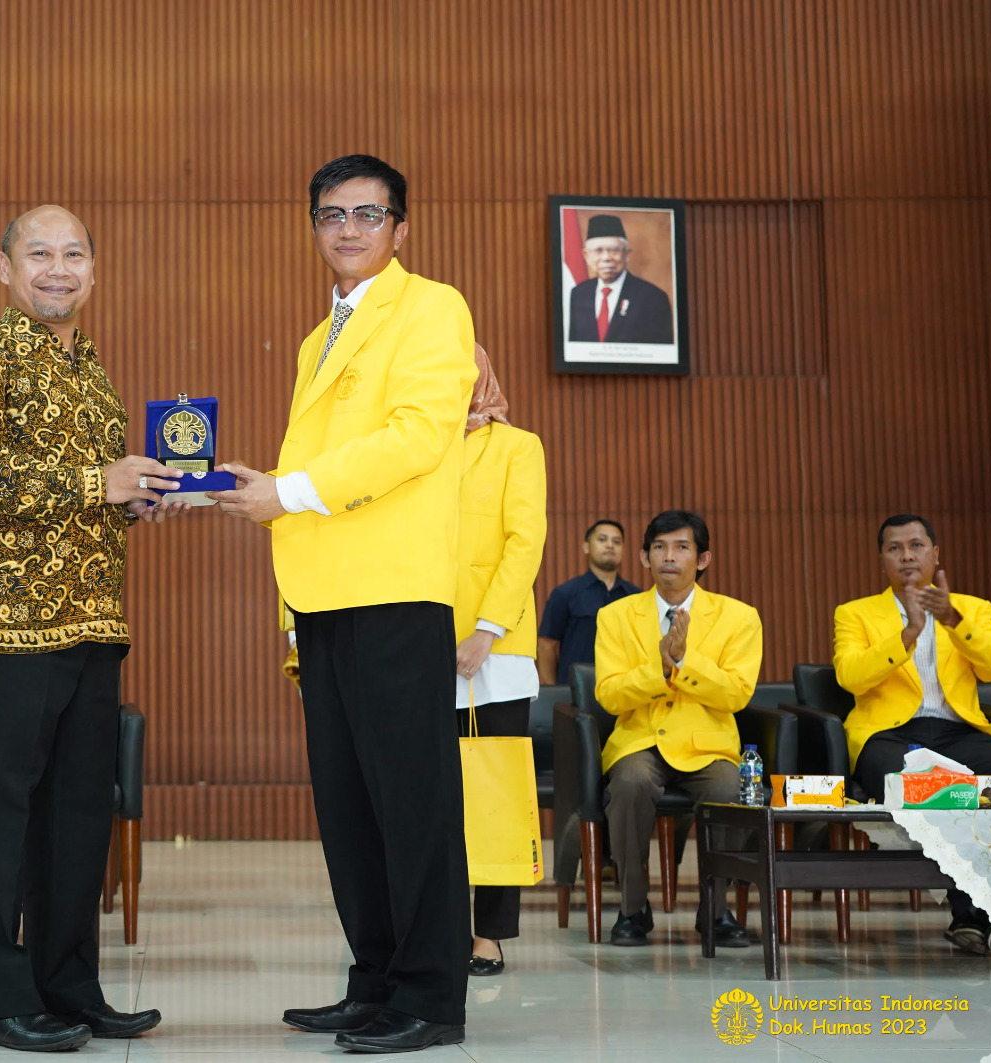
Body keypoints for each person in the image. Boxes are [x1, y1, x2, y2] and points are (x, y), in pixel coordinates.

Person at [213, 154, 477, 1054]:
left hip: (395, 592)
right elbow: (320, 468)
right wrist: (262, 488)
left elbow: (416, 437)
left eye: (369, 213)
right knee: (351, 805)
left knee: (413, 802)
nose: (350, 229)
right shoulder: (315, 337)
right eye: (333, 214)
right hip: (323, 599)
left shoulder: (432, 308)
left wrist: (284, 492)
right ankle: (376, 980)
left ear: (402, 227)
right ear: (315, 228)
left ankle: (432, 996)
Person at [0, 205, 185, 1053]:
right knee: (1, 815)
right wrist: (100, 481)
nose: (59, 268)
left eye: (74, 254)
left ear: (94, 272)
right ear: (5, 268)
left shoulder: (95, 372)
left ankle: (69, 987)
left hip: (95, 619)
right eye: (40, 253)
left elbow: (93, 493)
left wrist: (138, 499)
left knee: (78, 816)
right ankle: (0, 999)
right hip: (7, 622)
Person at [834, 514, 991, 955]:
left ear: (935, 554)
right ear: (882, 559)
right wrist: (908, 633)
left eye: (916, 545)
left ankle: (981, 914)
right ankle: (973, 912)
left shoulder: (972, 608)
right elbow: (850, 676)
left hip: (958, 731)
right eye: (895, 548)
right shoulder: (855, 613)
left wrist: (953, 620)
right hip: (888, 736)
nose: (906, 555)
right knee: (934, 792)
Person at [595, 510, 761, 948]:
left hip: (708, 745)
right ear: (644, 557)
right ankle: (632, 908)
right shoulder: (614, 616)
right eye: (659, 547)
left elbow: (736, 694)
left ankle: (715, 910)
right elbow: (609, 695)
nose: (669, 556)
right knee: (629, 783)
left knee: (729, 790)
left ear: (702, 559)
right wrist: (661, 668)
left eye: (681, 547)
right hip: (641, 739)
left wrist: (685, 661)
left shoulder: (739, 617)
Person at [451, 346, 546, 978]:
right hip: (419, 640)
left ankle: (489, 935)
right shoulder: (413, 448)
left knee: (495, 793)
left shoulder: (518, 447)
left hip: (494, 649)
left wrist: (486, 629)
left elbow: (524, 541)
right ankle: (435, 929)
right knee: (431, 796)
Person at [537, 519, 640, 685]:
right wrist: (555, 690)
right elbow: (546, 645)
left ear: (623, 550)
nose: (610, 545)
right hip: (576, 689)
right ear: (586, 547)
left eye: (616, 542)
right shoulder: (565, 593)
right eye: (602, 539)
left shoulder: (636, 597)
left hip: (624, 689)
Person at [566, 215, 674, 344]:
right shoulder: (578, 294)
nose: (606, 258)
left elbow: (660, 350)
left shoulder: (653, 297)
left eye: (614, 251)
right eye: (598, 251)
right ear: (586, 256)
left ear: (627, 255)